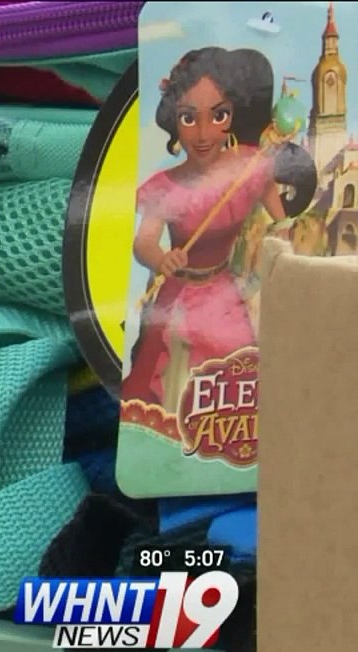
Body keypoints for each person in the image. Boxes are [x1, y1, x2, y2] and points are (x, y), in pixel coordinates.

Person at [121, 47, 316, 409]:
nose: (204, 132)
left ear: (232, 115)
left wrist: (286, 238)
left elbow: (281, 222)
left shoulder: (250, 167)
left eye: (218, 115)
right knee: (166, 385)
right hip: (176, 297)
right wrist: (160, 258)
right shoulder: (166, 186)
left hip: (225, 292)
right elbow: (143, 242)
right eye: (189, 118)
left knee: (238, 375)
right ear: (174, 120)